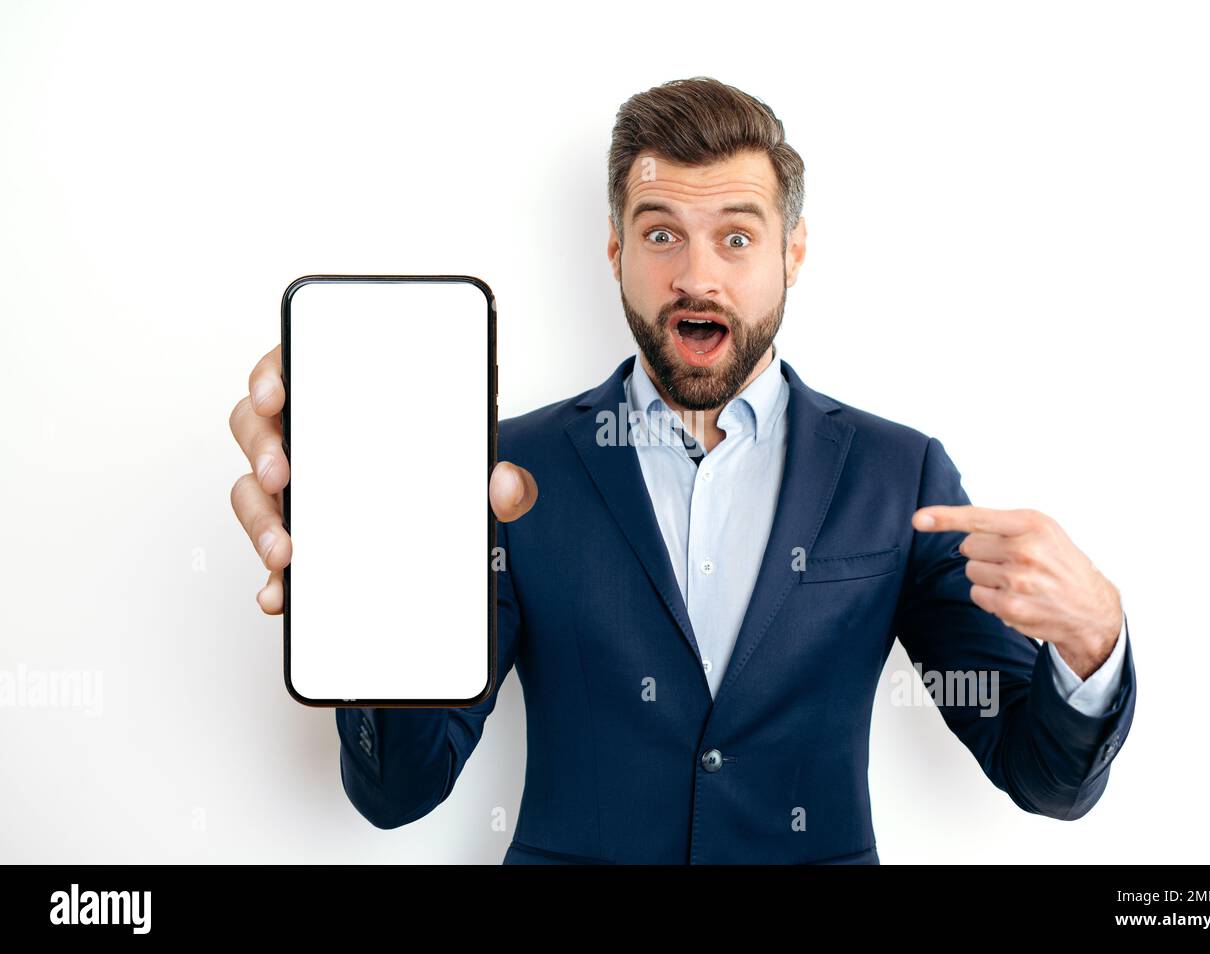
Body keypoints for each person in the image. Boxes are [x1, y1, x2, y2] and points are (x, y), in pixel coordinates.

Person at [229, 76, 1135, 864]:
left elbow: (1043, 775)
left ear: (794, 252)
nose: (697, 277)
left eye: (737, 239)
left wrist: (1092, 642)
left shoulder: (898, 476)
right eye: (662, 236)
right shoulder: (505, 474)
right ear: (616, 252)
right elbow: (400, 794)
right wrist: (362, 584)